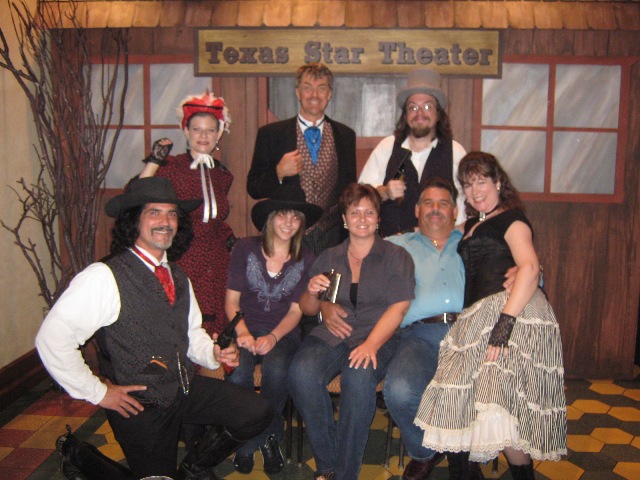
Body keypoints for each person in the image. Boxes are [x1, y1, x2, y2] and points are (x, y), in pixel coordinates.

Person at [35, 177, 273, 480]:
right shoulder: (104, 276)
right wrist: (98, 392)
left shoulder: (178, 275)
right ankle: (80, 455)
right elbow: (52, 339)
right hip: (139, 404)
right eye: (154, 212)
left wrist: (213, 354)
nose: (166, 221)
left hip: (182, 388)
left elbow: (191, 334)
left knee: (256, 412)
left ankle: (192, 469)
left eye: (172, 213)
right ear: (134, 221)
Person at [414, 152, 567, 480]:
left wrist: (504, 325)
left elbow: (529, 267)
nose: (475, 191)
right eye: (468, 185)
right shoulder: (472, 224)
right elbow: (435, 226)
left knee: (501, 411)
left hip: (508, 313)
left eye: (481, 182)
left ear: (498, 182)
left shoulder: (512, 219)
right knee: (458, 405)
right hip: (476, 318)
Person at [288, 183, 416, 480]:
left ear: (378, 218)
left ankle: (344, 473)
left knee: (357, 376)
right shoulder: (329, 257)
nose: (362, 219)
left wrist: (371, 345)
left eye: (369, 212)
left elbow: (399, 309)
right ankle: (328, 464)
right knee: (301, 373)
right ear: (344, 219)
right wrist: (314, 295)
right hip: (331, 334)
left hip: (378, 334)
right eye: (355, 212)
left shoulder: (396, 256)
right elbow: (308, 309)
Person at [225, 185, 321, 475]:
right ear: (270, 218)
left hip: (284, 334)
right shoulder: (244, 248)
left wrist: (273, 337)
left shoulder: (306, 257)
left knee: (277, 370)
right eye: (282, 214)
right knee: (238, 372)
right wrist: (243, 333)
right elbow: (231, 301)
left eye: (295, 217)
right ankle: (243, 437)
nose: (289, 222)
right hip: (242, 328)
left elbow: (296, 311)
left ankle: (269, 437)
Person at [139, 91, 235, 336]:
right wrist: (154, 160)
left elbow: (215, 218)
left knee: (215, 320)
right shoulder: (171, 167)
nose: (203, 136)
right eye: (196, 129)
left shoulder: (222, 175)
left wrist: (230, 240)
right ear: (185, 131)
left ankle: (212, 358)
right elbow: (136, 193)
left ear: (219, 134)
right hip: (183, 255)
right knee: (185, 318)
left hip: (217, 257)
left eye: (210, 130)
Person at [247, 62, 357, 256]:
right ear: (297, 93)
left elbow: (349, 189)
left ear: (329, 94)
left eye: (321, 88)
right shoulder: (271, 134)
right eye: (307, 88)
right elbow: (254, 188)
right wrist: (278, 173)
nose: (314, 95)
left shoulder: (345, 135)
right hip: (287, 235)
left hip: (331, 237)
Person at [358, 67, 467, 236]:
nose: (420, 113)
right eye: (413, 107)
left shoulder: (456, 152)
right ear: (405, 115)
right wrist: (384, 192)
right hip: (391, 245)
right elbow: (359, 198)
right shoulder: (387, 147)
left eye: (427, 106)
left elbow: (471, 205)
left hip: (438, 247)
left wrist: (456, 237)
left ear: (438, 113)